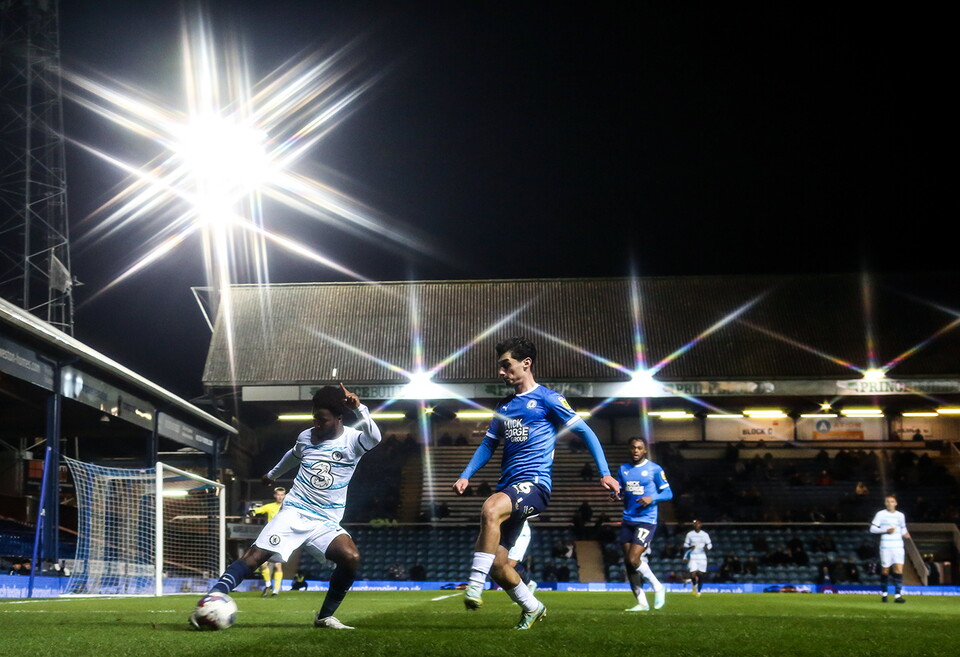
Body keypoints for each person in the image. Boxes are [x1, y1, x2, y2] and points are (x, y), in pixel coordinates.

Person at [452, 336, 620, 630]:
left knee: (490, 509)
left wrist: (604, 472)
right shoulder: (503, 407)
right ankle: (533, 607)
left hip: (535, 485)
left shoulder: (548, 399)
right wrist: (466, 474)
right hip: (509, 486)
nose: (501, 372)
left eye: (507, 365)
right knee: (499, 565)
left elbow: (587, 433)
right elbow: (489, 446)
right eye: (500, 367)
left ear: (526, 363)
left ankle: (473, 587)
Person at [192, 384, 382, 630]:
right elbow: (293, 455)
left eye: (322, 419)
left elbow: (375, 437)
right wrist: (271, 474)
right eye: (314, 417)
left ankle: (324, 617)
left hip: (325, 520)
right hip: (295, 510)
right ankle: (212, 597)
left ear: (339, 417)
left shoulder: (354, 441)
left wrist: (361, 409)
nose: (317, 423)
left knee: (351, 557)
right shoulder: (306, 437)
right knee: (256, 556)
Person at [617, 436, 672, 612]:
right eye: (633, 448)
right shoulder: (623, 469)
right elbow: (621, 491)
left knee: (634, 558)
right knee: (628, 563)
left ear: (645, 450)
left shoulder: (654, 470)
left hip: (646, 521)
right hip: (628, 520)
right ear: (629, 449)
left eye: (639, 448)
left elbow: (668, 493)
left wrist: (652, 497)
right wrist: (616, 495)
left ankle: (658, 586)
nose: (636, 451)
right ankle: (642, 602)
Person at [870, 494, 910, 603]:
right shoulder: (880, 514)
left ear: (896, 503)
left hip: (898, 546)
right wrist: (886, 530)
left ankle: (898, 596)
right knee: (885, 570)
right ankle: (884, 594)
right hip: (886, 546)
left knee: (898, 569)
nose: (889, 503)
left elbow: (902, 527)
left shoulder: (900, 515)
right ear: (885, 503)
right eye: (887, 501)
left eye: (892, 501)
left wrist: (905, 533)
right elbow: (872, 529)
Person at [248, 486, 287, 596]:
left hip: (281, 538)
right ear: (275, 495)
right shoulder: (271, 507)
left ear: (284, 496)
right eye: (278, 495)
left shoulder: (288, 508)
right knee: (263, 563)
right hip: (268, 537)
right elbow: (260, 509)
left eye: (282, 495)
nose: (280, 497)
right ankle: (268, 585)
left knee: (277, 565)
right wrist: (253, 511)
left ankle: (275, 591)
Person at [683, 519, 712, 597]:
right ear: (693, 525)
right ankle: (694, 587)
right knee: (693, 573)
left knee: (700, 575)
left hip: (702, 557)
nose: (696, 525)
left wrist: (707, 548)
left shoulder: (705, 534)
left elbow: (710, 544)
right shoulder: (689, 534)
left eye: (698, 524)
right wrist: (690, 546)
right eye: (695, 524)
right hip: (693, 557)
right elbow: (685, 544)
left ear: (701, 525)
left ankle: (699, 591)